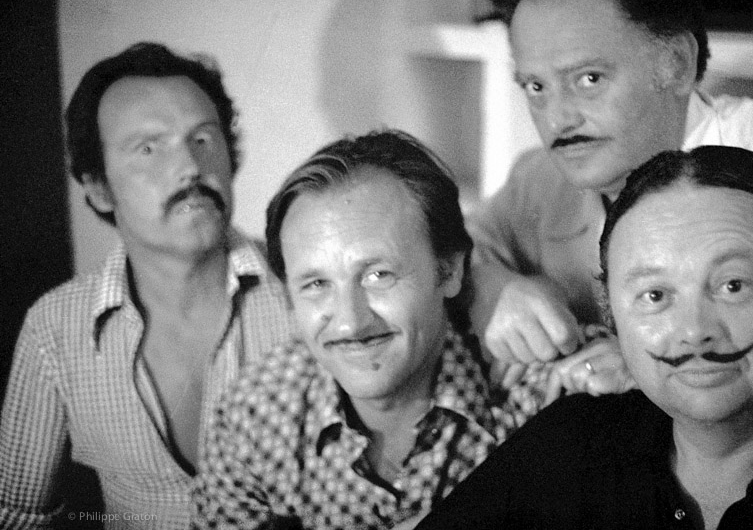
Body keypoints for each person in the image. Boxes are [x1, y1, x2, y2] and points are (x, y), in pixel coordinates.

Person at [416, 145, 753, 529]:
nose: (695, 331)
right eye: (655, 295)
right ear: (613, 316)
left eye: (732, 286)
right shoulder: (568, 445)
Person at [471, 0, 753, 393]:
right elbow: (457, 250)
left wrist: (664, 372)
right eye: (536, 86)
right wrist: (498, 291)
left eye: (589, 79)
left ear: (676, 63)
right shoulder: (539, 178)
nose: (558, 119)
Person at [192, 129, 572, 530]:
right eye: (317, 284)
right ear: (288, 296)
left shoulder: (546, 395)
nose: (350, 322)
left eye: (377, 275)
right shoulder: (254, 415)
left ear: (449, 271)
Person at [0, 43, 291, 529]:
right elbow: (18, 516)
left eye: (202, 139)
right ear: (98, 186)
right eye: (149, 148)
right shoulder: (56, 329)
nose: (190, 169)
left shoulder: (308, 294)